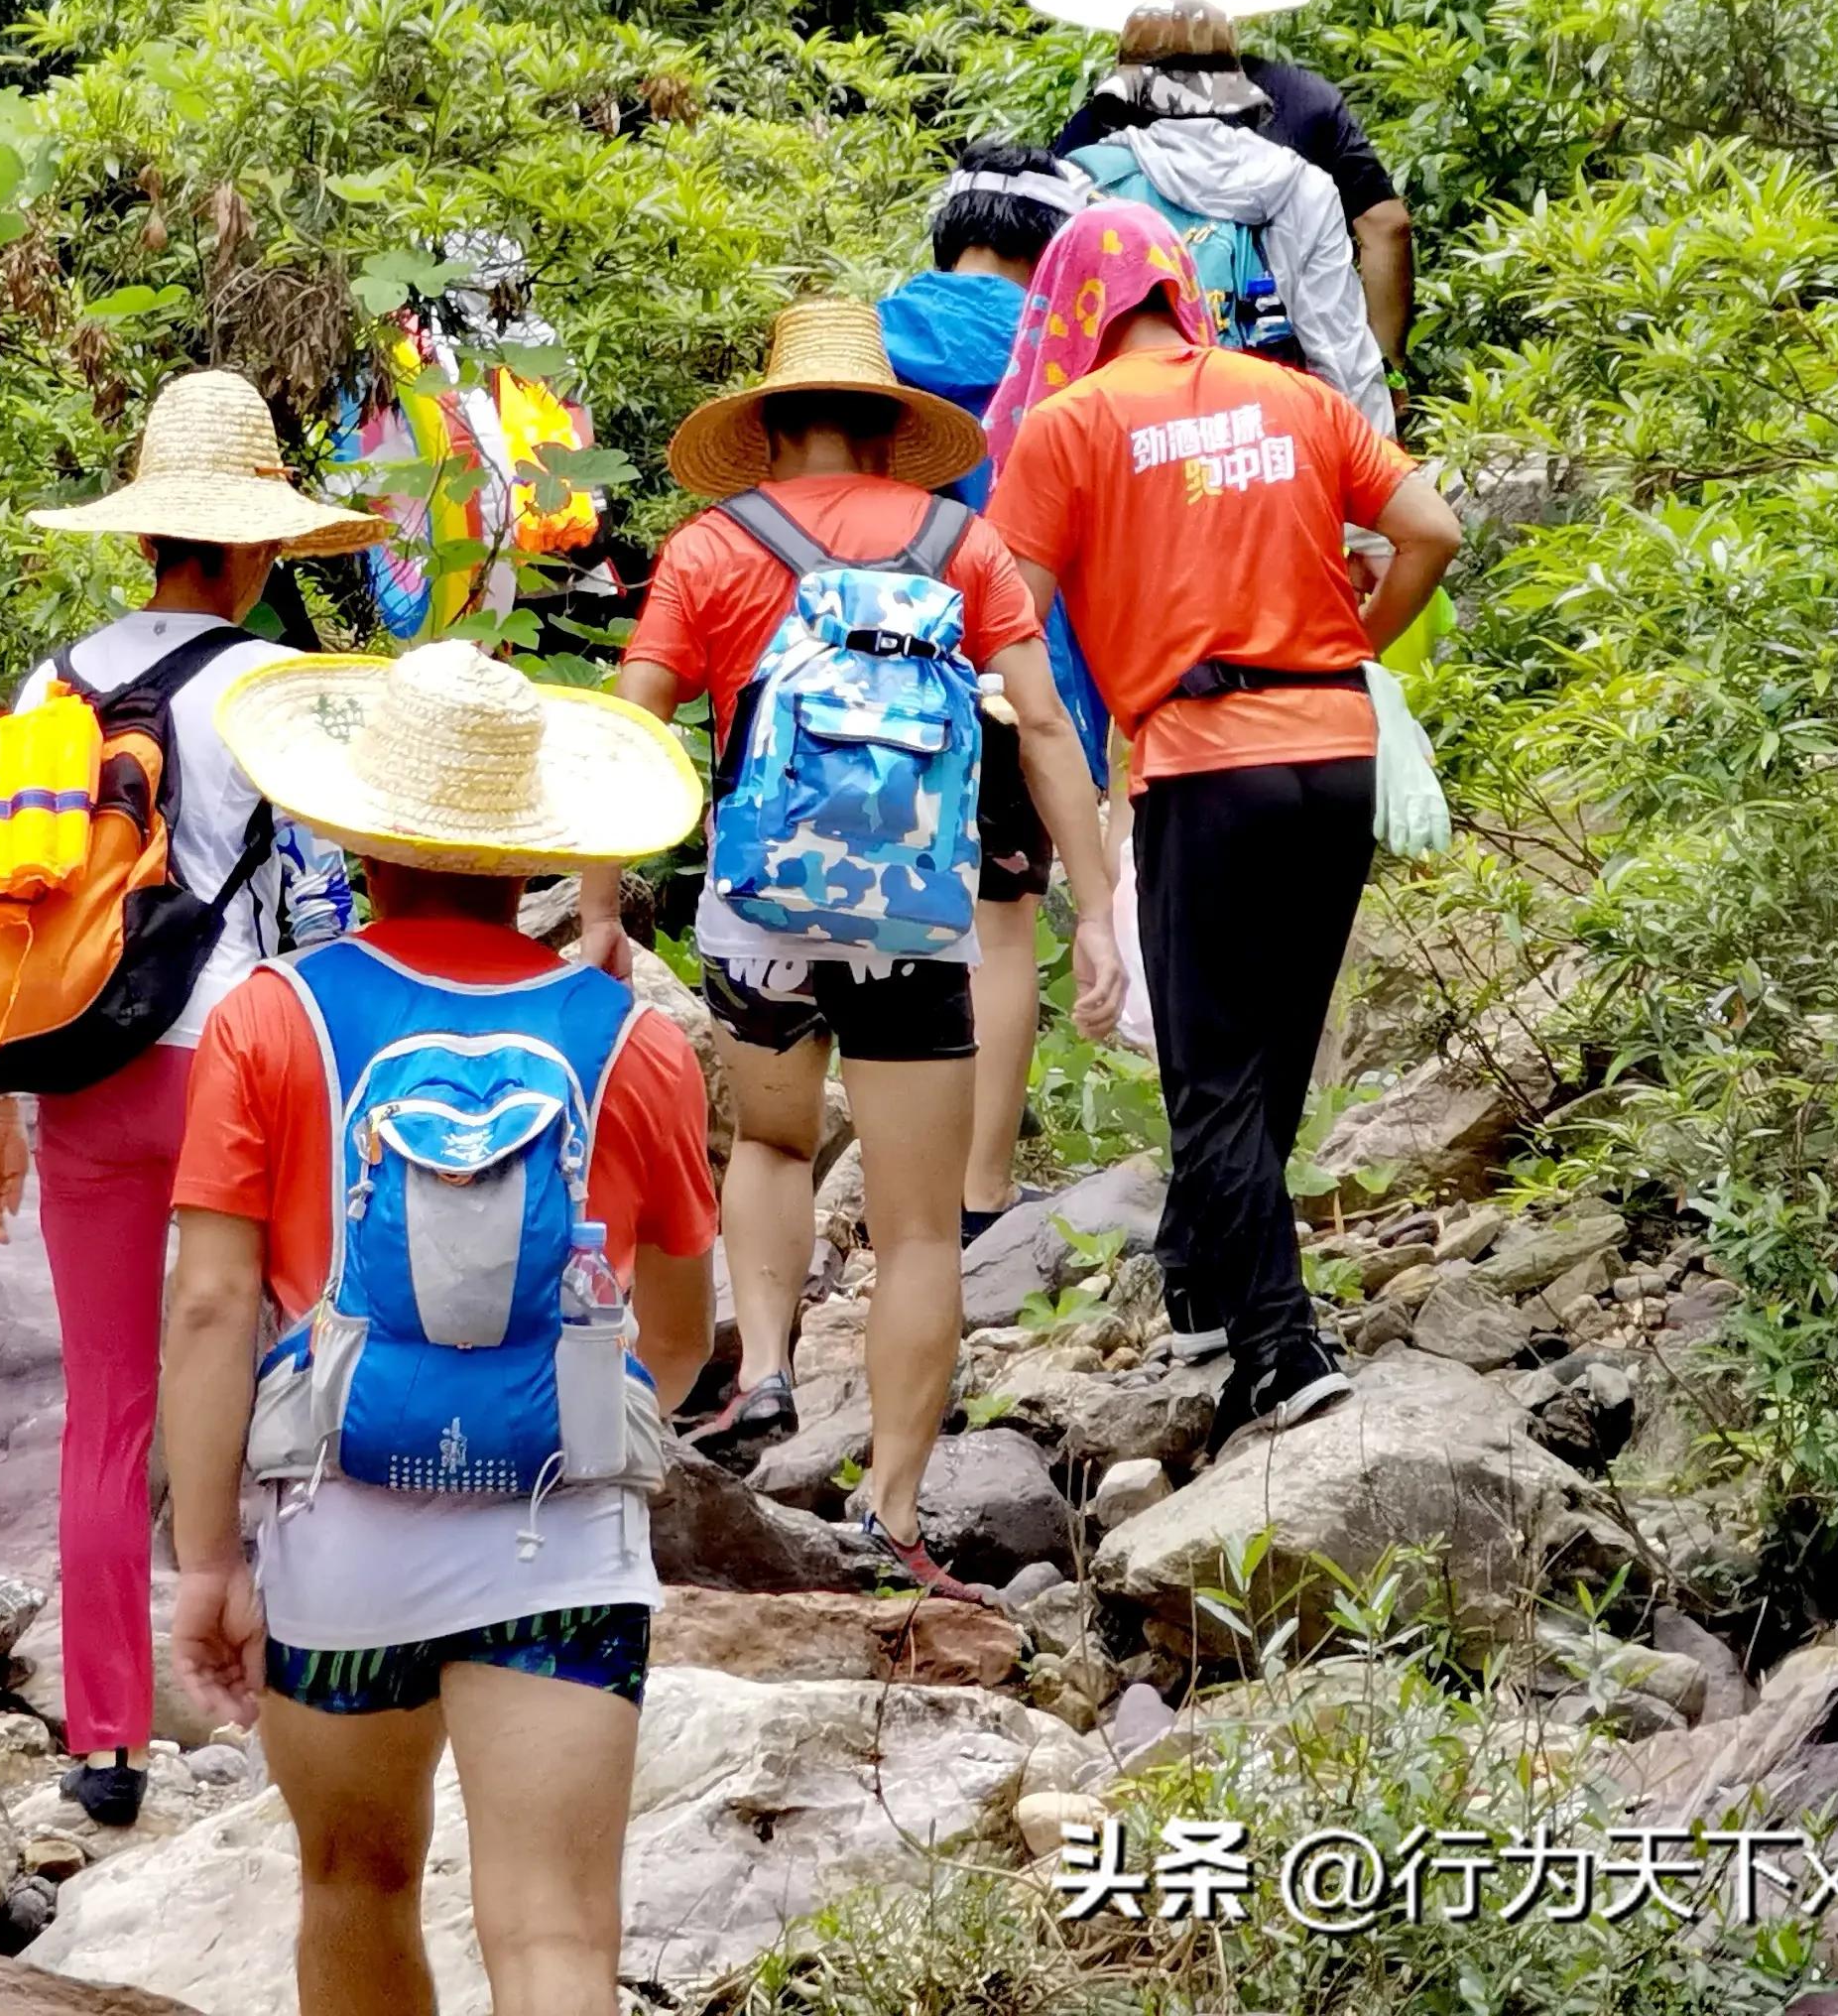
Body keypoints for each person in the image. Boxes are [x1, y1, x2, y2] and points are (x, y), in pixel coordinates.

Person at [161, 640, 716, 2016]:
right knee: (553, 1940)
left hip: (339, 1536)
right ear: (534, 851)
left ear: (363, 837)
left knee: (354, 1884)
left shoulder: (270, 1018)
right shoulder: (631, 1038)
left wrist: (210, 1557)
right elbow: (685, 1333)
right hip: (560, 1539)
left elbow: (214, 1304)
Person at [577, 302, 1116, 1596]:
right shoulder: (961, 543)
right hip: (915, 923)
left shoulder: (714, 547)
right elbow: (1042, 730)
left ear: (766, 431)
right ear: (889, 434)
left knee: (766, 1142)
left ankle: (762, 1369)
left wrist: (601, 906)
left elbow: (633, 717)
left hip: (760, 917)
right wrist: (1095, 909)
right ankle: (890, 1507)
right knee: (922, 1231)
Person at [0, 371, 383, 1828]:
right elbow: (319, 903)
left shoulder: (51, 683)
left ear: (145, 537)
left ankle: (107, 1740)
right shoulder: (270, 683)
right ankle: (314, 1667)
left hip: (80, 1065)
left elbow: (8, 902)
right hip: (241, 1056)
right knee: (304, 1350)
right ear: (260, 545)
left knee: (106, 1407)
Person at [984, 205, 1463, 1443]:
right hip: (1334, 754)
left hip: (1202, 768)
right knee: (1275, 1054)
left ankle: (1281, 1345)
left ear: (1067, 311)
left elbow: (1008, 622)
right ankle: (1201, 1278)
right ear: (1179, 289)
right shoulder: (1293, 395)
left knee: (1209, 1071)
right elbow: (1432, 529)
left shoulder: (1067, 425)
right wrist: (1354, 643)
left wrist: (1054, 761)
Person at [878, 153, 1106, 1242]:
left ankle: (889, 1187)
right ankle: (979, 1198)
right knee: (1000, 931)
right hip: (1021, 682)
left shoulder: (868, 342)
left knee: (873, 930)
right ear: (1051, 252)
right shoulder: (1067, 359)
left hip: (871, 684)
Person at [1033, 0, 1416, 369]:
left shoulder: (1097, 128)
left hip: (1139, 398)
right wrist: (1386, 371)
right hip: (1284, 392)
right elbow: (1386, 224)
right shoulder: (1307, 100)